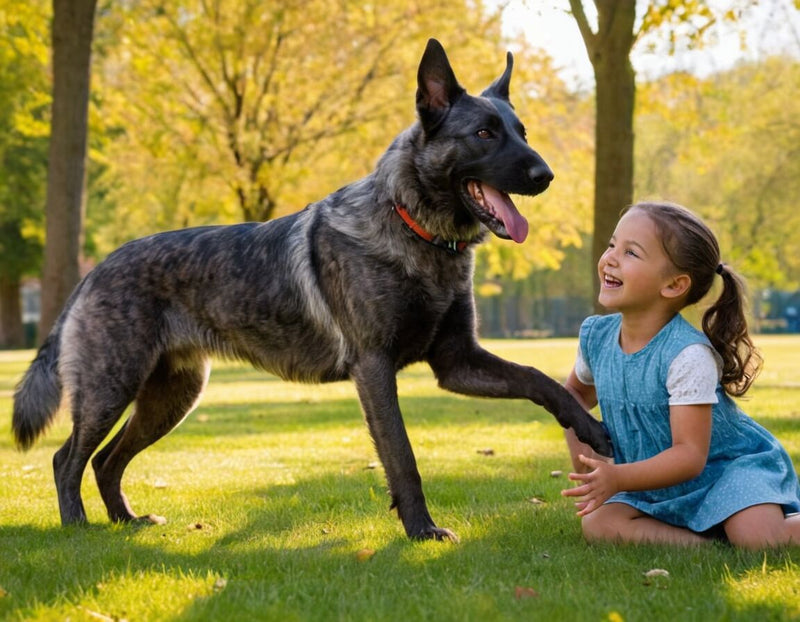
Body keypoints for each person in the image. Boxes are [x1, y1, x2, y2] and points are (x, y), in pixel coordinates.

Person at [561, 201, 800, 549]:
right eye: (612, 244)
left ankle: (737, 528)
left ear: (674, 285)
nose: (610, 258)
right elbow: (573, 397)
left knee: (759, 538)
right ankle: (708, 546)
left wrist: (618, 476)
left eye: (631, 252)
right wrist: (585, 456)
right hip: (652, 483)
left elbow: (689, 455)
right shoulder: (597, 338)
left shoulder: (687, 355)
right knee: (599, 523)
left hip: (725, 472)